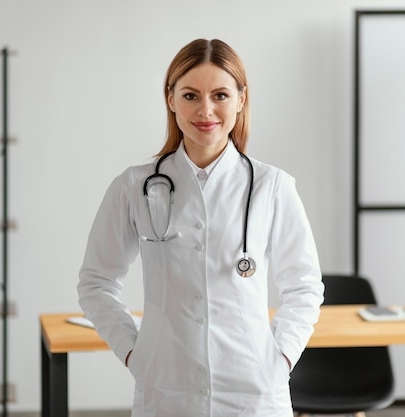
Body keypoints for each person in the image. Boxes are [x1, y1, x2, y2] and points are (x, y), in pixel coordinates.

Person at [77, 38, 324, 417]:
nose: (205, 110)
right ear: (171, 99)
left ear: (241, 99)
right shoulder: (134, 187)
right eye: (191, 95)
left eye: (220, 95)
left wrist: (282, 358)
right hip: (166, 388)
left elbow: (304, 286)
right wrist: (134, 353)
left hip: (253, 390)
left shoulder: (272, 186)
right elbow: (96, 282)